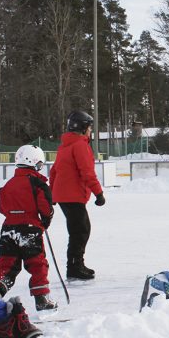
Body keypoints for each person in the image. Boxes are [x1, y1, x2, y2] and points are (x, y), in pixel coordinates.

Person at [0, 145, 57, 311]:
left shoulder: (8, 184)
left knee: (6, 263)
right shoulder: (38, 183)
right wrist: (45, 221)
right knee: (37, 264)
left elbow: (2, 208)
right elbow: (46, 208)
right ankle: (42, 298)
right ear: (35, 163)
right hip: (30, 230)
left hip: (8, 229)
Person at [50, 110, 105, 280]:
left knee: (78, 230)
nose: (90, 131)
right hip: (72, 196)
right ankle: (74, 267)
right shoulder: (80, 145)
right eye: (89, 127)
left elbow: (54, 172)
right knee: (80, 231)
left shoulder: (65, 146)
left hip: (64, 196)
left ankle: (76, 264)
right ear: (82, 128)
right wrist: (99, 193)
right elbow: (87, 172)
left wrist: (52, 193)